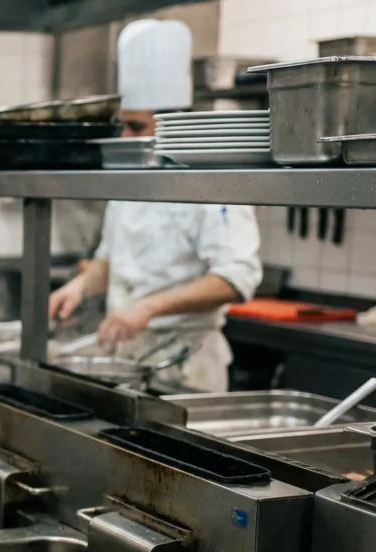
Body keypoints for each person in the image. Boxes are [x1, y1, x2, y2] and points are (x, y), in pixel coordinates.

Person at [48, 19, 262, 393]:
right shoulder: (130, 179)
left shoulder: (212, 182)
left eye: (134, 127)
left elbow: (237, 277)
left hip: (185, 368)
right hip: (128, 360)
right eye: (123, 126)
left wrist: (147, 308)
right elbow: (110, 259)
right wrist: (80, 286)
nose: (124, 137)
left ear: (171, 125)